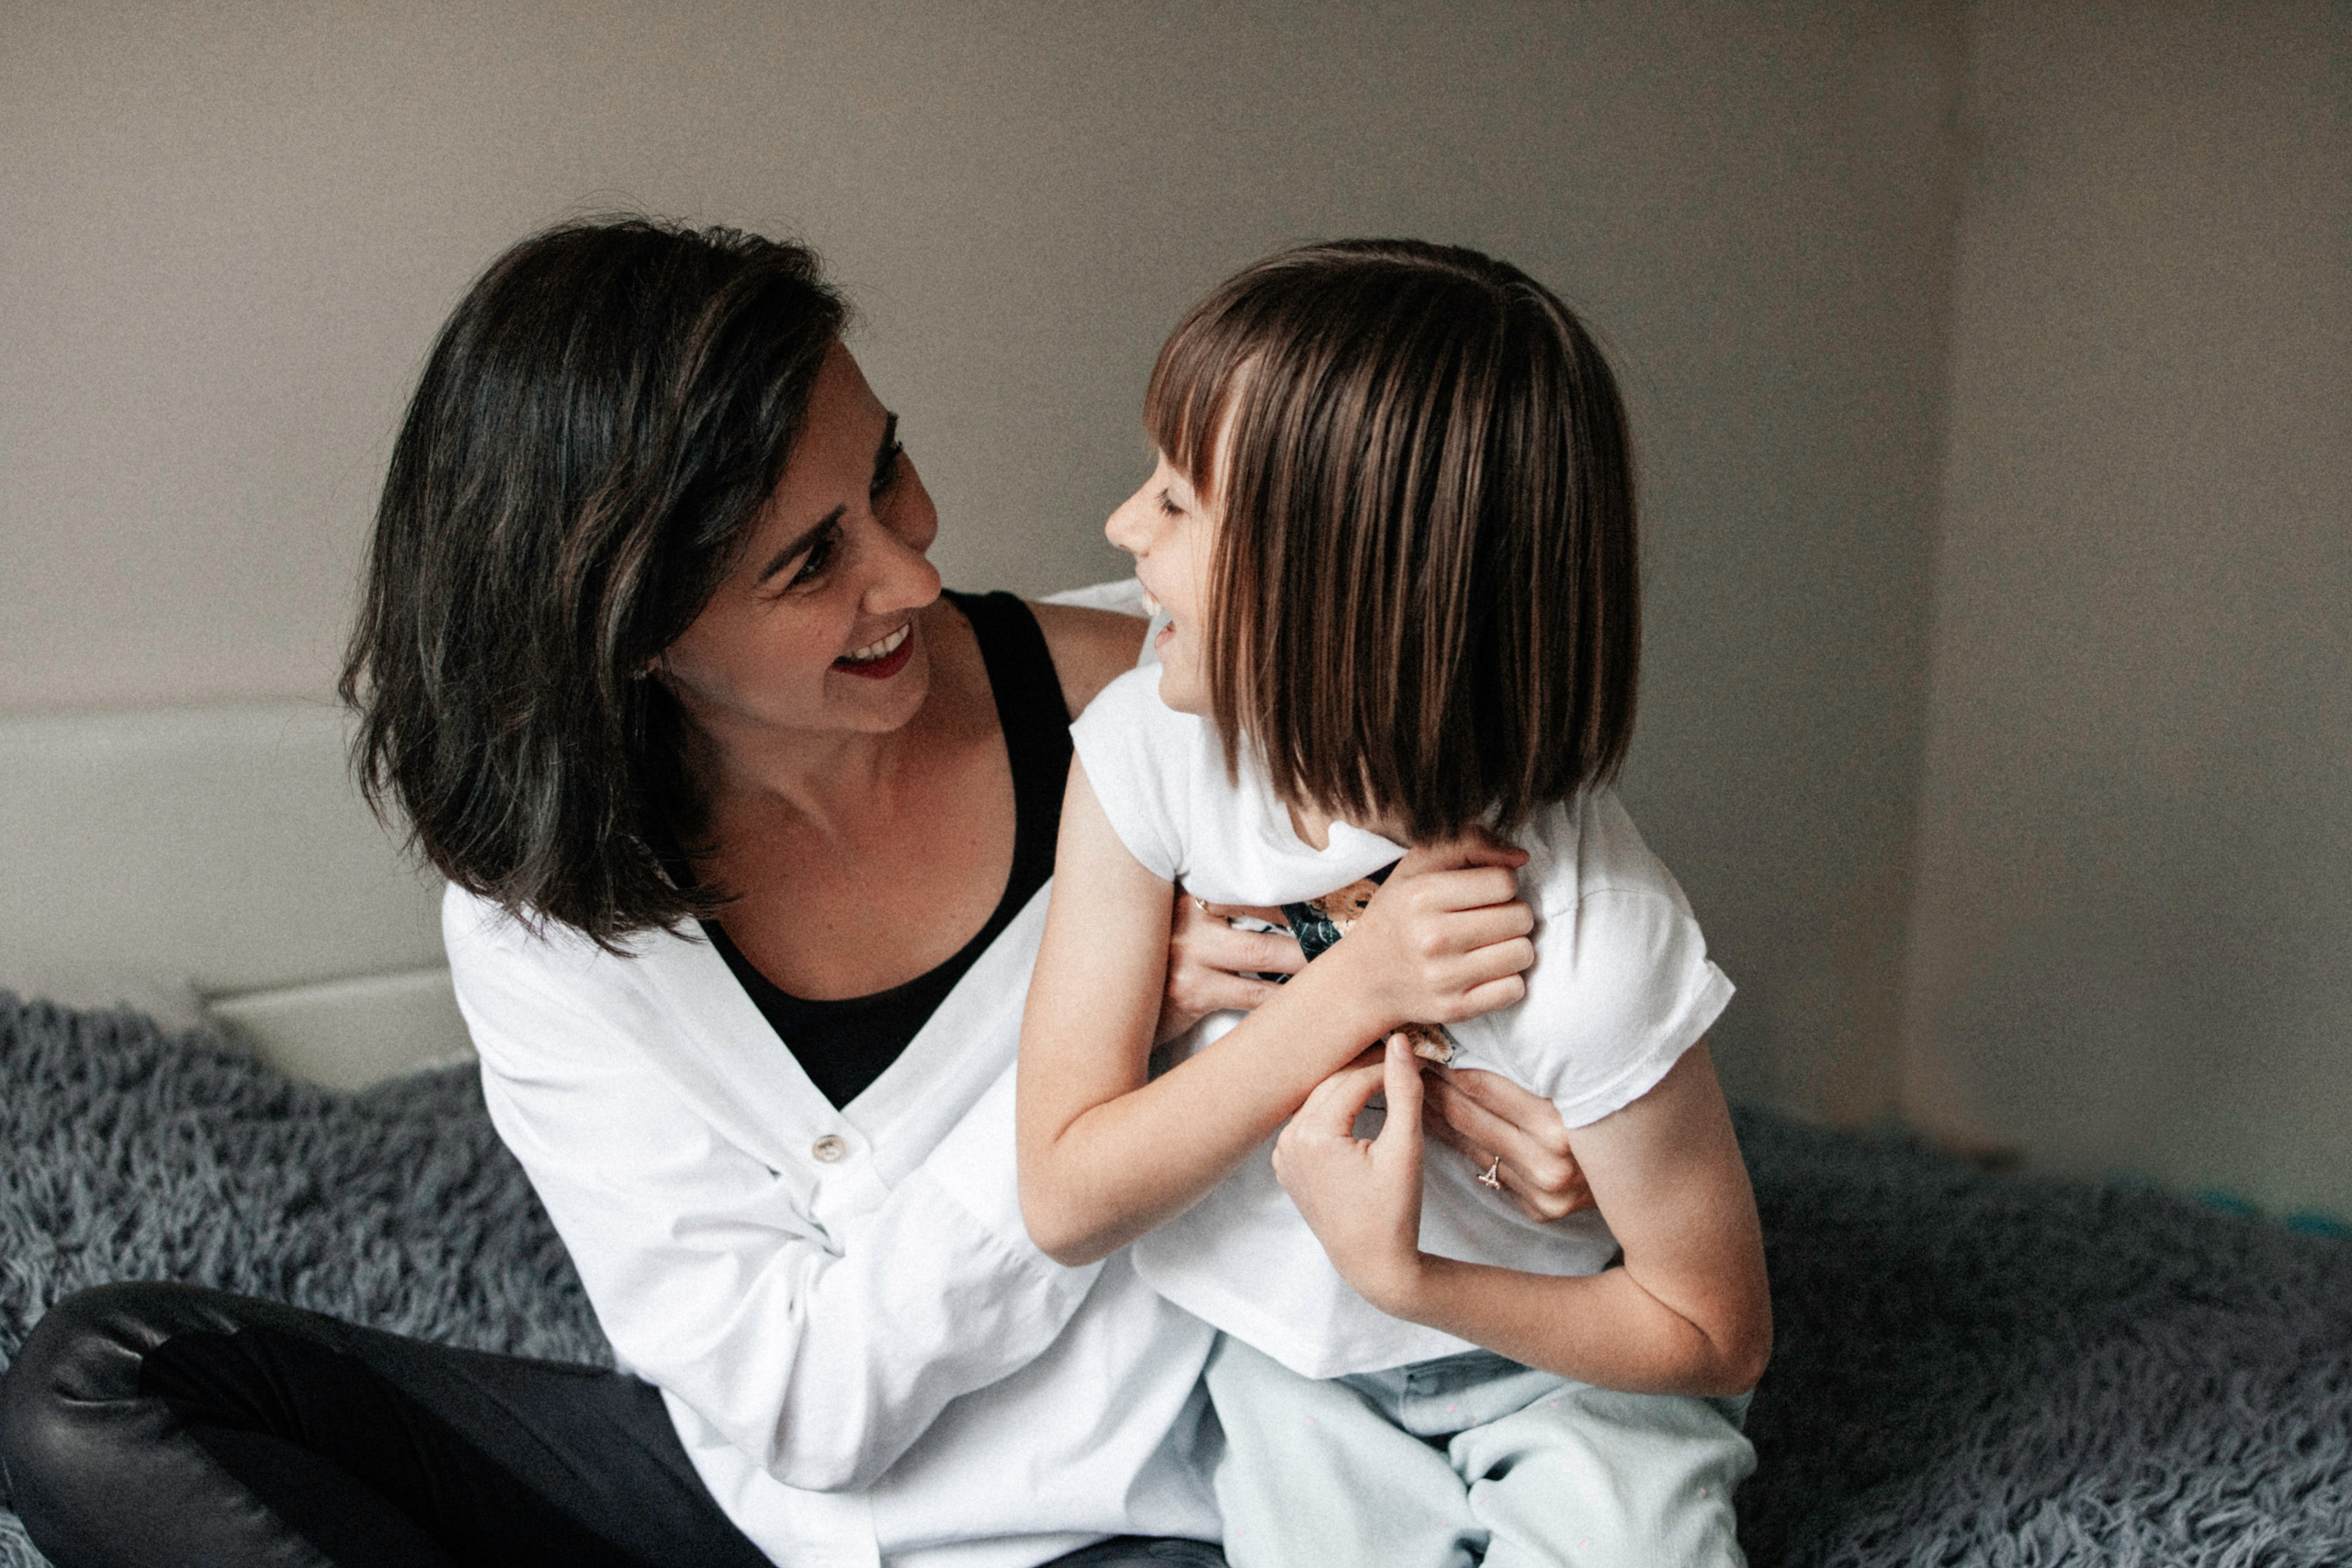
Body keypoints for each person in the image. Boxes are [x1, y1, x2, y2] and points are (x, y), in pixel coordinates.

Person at [0, 220, 1592, 1568]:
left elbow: (1534, 929)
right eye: (807, 563)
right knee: (98, 1392)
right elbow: (806, 1412)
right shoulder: (544, 918)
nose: (911, 567)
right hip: (750, 1513)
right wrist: (1111, 1016)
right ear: (631, 633)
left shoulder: (1179, 701)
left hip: (1116, 1516)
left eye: (886, 470)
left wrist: (1554, 1129)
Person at [1017, 240, 1773, 1567]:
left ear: (1335, 585)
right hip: (1291, 1373)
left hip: (1567, 1367)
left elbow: (1712, 1326)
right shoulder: (1146, 758)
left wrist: (1410, 1280)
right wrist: (1357, 990)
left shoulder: (1594, 936)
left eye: (1179, 502)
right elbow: (1066, 1197)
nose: (1123, 528)